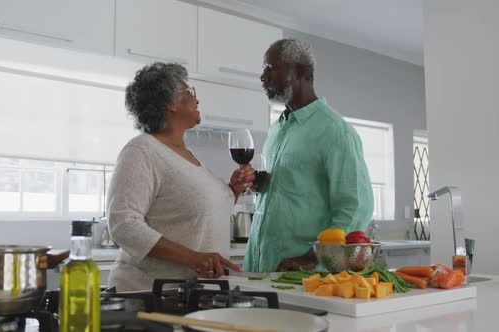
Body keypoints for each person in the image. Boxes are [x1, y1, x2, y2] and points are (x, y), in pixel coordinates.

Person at [107, 62, 253, 291]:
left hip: (193, 292)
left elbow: (199, 213)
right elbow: (123, 224)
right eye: (190, 92)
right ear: (170, 103)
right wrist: (194, 258)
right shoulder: (142, 150)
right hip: (151, 293)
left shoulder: (187, 155)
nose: (197, 99)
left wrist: (233, 190)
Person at [244, 38, 374, 272]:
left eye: (271, 68)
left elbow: (355, 208)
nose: (263, 77)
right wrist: (264, 184)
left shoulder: (336, 131)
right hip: (260, 267)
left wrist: (312, 258)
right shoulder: (277, 128)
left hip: (303, 276)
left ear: (300, 71)